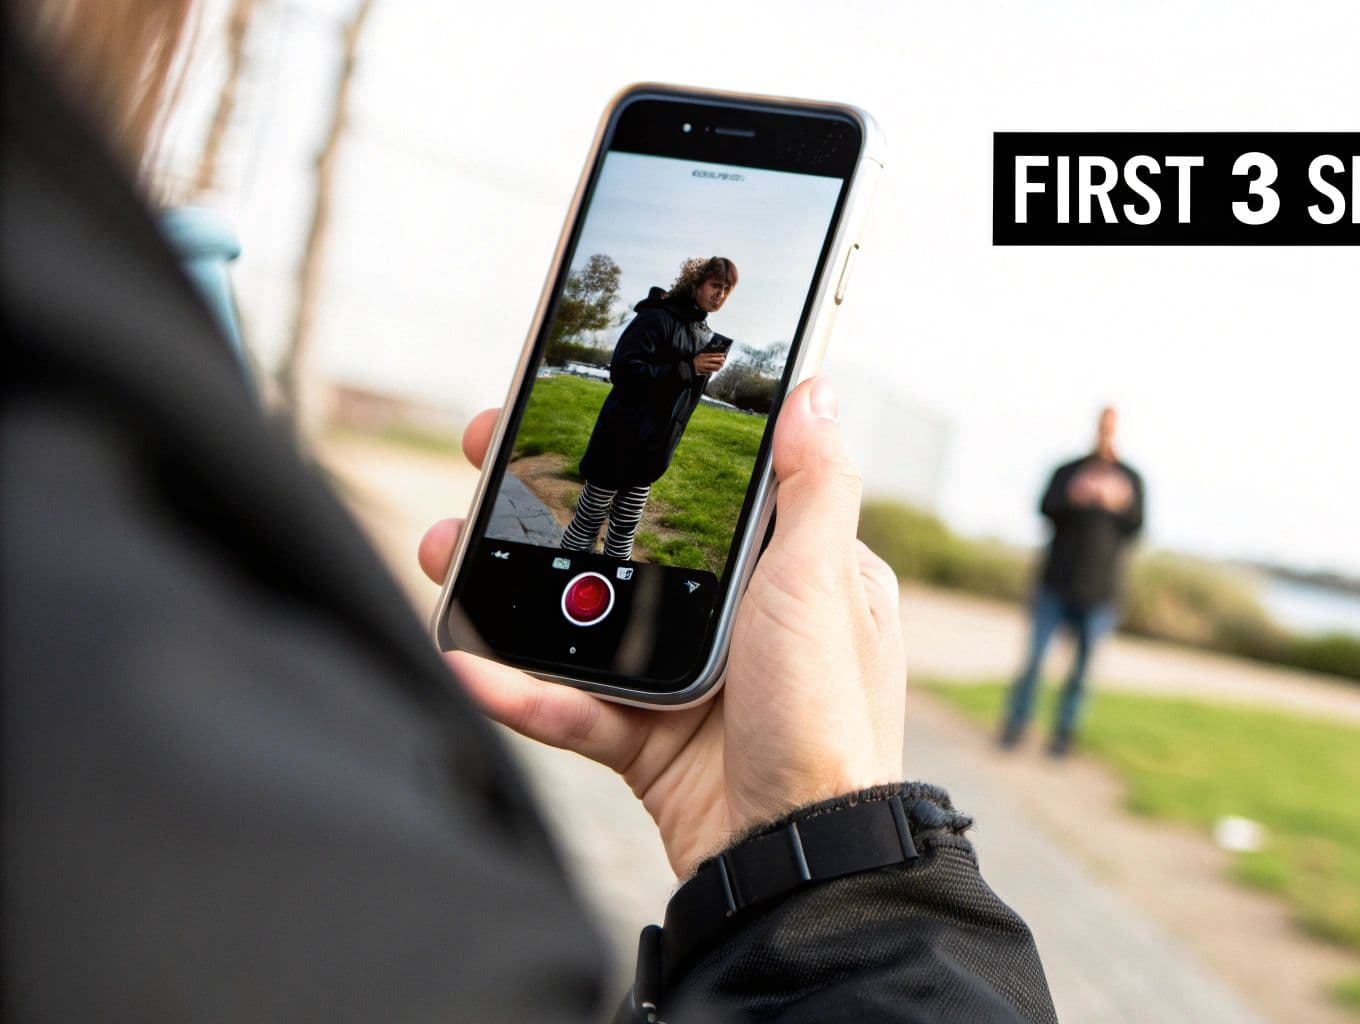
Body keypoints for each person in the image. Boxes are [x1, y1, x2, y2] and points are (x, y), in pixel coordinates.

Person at [1, 6, 1056, 1021]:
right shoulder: (650, 314)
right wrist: (846, 882)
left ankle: (587, 581)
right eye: (717, 290)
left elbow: (679, 383)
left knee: (622, 512)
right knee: (594, 515)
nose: (719, 304)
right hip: (622, 432)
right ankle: (576, 574)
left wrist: (703, 375)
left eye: (729, 299)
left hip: (655, 444)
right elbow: (629, 365)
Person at [560, 259, 736, 558]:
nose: (720, 295)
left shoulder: (700, 331)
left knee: (626, 526)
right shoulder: (656, 317)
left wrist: (698, 370)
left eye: (726, 289)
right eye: (715, 286)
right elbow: (624, 371)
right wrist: (687, 367)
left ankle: (616, 586)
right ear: (696, 284)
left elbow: (679, 397)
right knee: (588, 521)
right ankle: (561, 575)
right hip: (618, 440)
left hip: (653, 448)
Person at [1000, 407, 1145, 757]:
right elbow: (1044, 509)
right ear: (1095, 427)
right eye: (1103, 426)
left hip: (1100, 593)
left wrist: (1119, 503)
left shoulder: (1131, 479)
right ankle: (1015, 727)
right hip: (1055, 584)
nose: (1106, 433)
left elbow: (1137, 527)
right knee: (1034, 662)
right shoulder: (1068, 471)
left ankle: (1062, 737)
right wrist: (1074, 496)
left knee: (1081, 673)